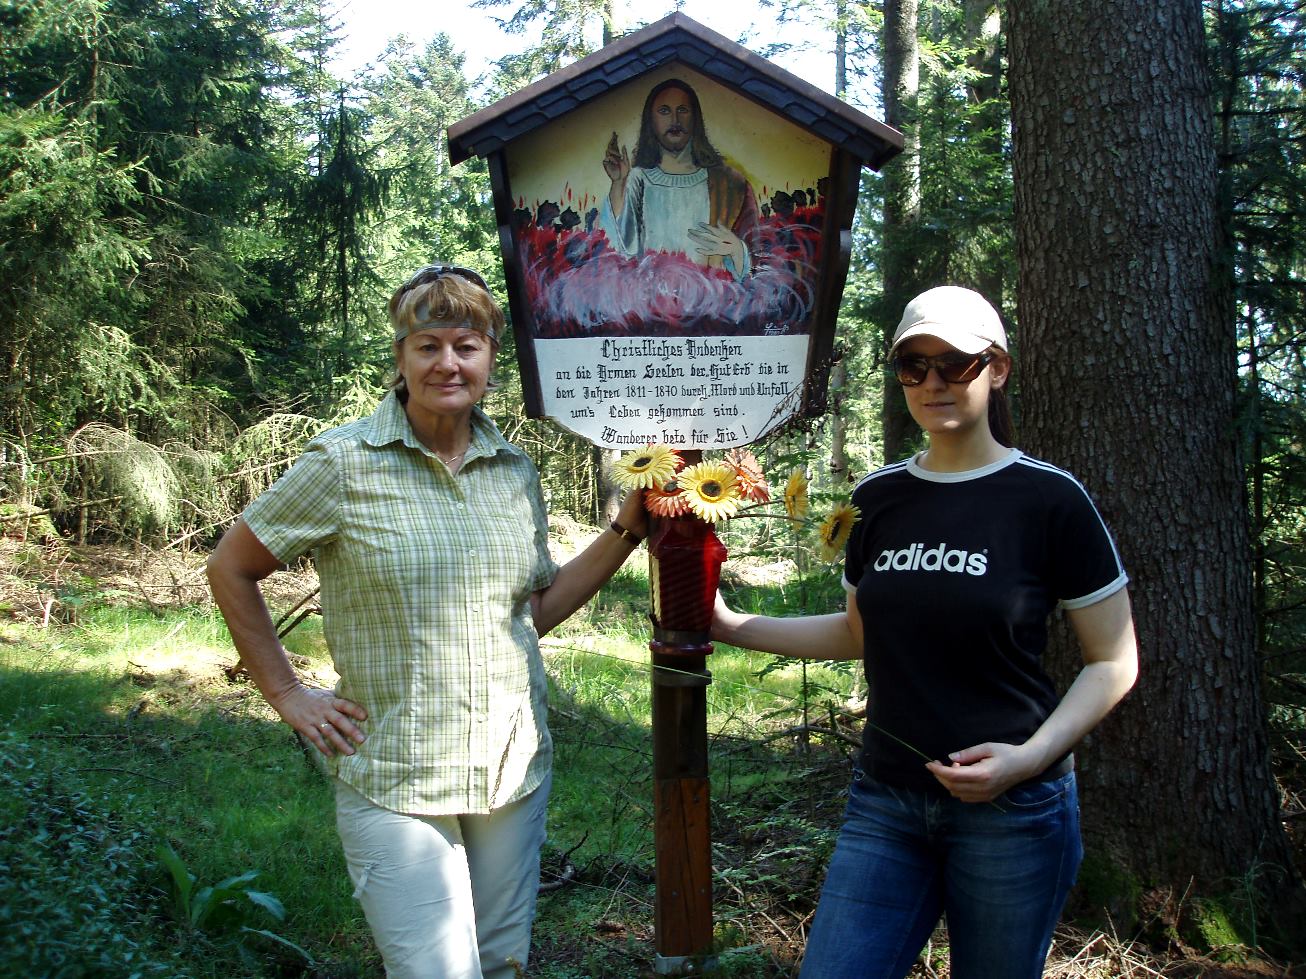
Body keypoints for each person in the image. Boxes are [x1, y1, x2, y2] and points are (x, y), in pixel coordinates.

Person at [206, 264, 649, 979]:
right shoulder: (344, 462)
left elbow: (532, 611)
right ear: (401, 358)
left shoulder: (513, 469)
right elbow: (231, 566)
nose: (448, 362)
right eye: (429, 345)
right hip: (394, 772)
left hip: (511, 767)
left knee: (502, 964)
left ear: (490, 360)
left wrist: (627, 528)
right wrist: (288, 693)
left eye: (466, 345)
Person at [712, 285, 1139, 979]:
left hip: (1014, 811)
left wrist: (1029, 758)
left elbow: (1114, 660)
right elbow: (858, 632)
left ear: (996, 368)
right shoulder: (877, 500)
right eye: (914, 366)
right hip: (887, 800)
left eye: (956, 364)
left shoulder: (1050, 499)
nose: (933, 382)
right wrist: (733, 626)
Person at [600, 78, 759, 279]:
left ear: (695, 118)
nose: (675, 119)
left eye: (683, 110)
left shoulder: (729, 184)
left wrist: (737, 250)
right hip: (651, 302)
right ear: (651, 120)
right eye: (664, 111)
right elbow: (619, 252)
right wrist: (618, 184)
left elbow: (758, 263)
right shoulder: (639, 179)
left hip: (711, 303)